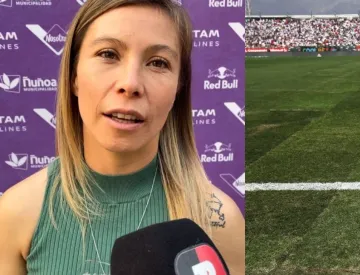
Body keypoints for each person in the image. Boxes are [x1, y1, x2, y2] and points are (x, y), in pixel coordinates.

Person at [0, 0, 245, 274]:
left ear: (178, 88)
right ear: (74, 77)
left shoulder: (219, 221)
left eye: (157, 62)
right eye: (108, 54)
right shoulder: (16, 213)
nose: (130, 83)